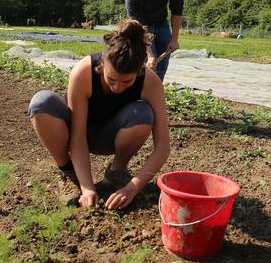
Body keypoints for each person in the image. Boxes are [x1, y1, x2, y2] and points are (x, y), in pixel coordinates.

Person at [28, 19, 170, 209]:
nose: (117, 87)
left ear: (140, 70)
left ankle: (116, 174)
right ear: (103, 63)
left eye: (127, 82)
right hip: (77, 134)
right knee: (41, 103)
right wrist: (87, 188)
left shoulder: (150, 83)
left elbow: (162, 147)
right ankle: (69, 173)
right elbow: (78, 138)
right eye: (111, 79)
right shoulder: (83, 72)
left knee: (143, 114)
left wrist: (132, 188)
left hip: (112, 136)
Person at [125, 0, 184, 81]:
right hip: (142, 26)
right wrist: (150, 54)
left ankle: (155, 94)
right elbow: (136, 25)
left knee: (162, 66)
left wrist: (174, 39)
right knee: (148, 64)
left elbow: (177, 11)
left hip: (161, 22)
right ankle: (141, 93)